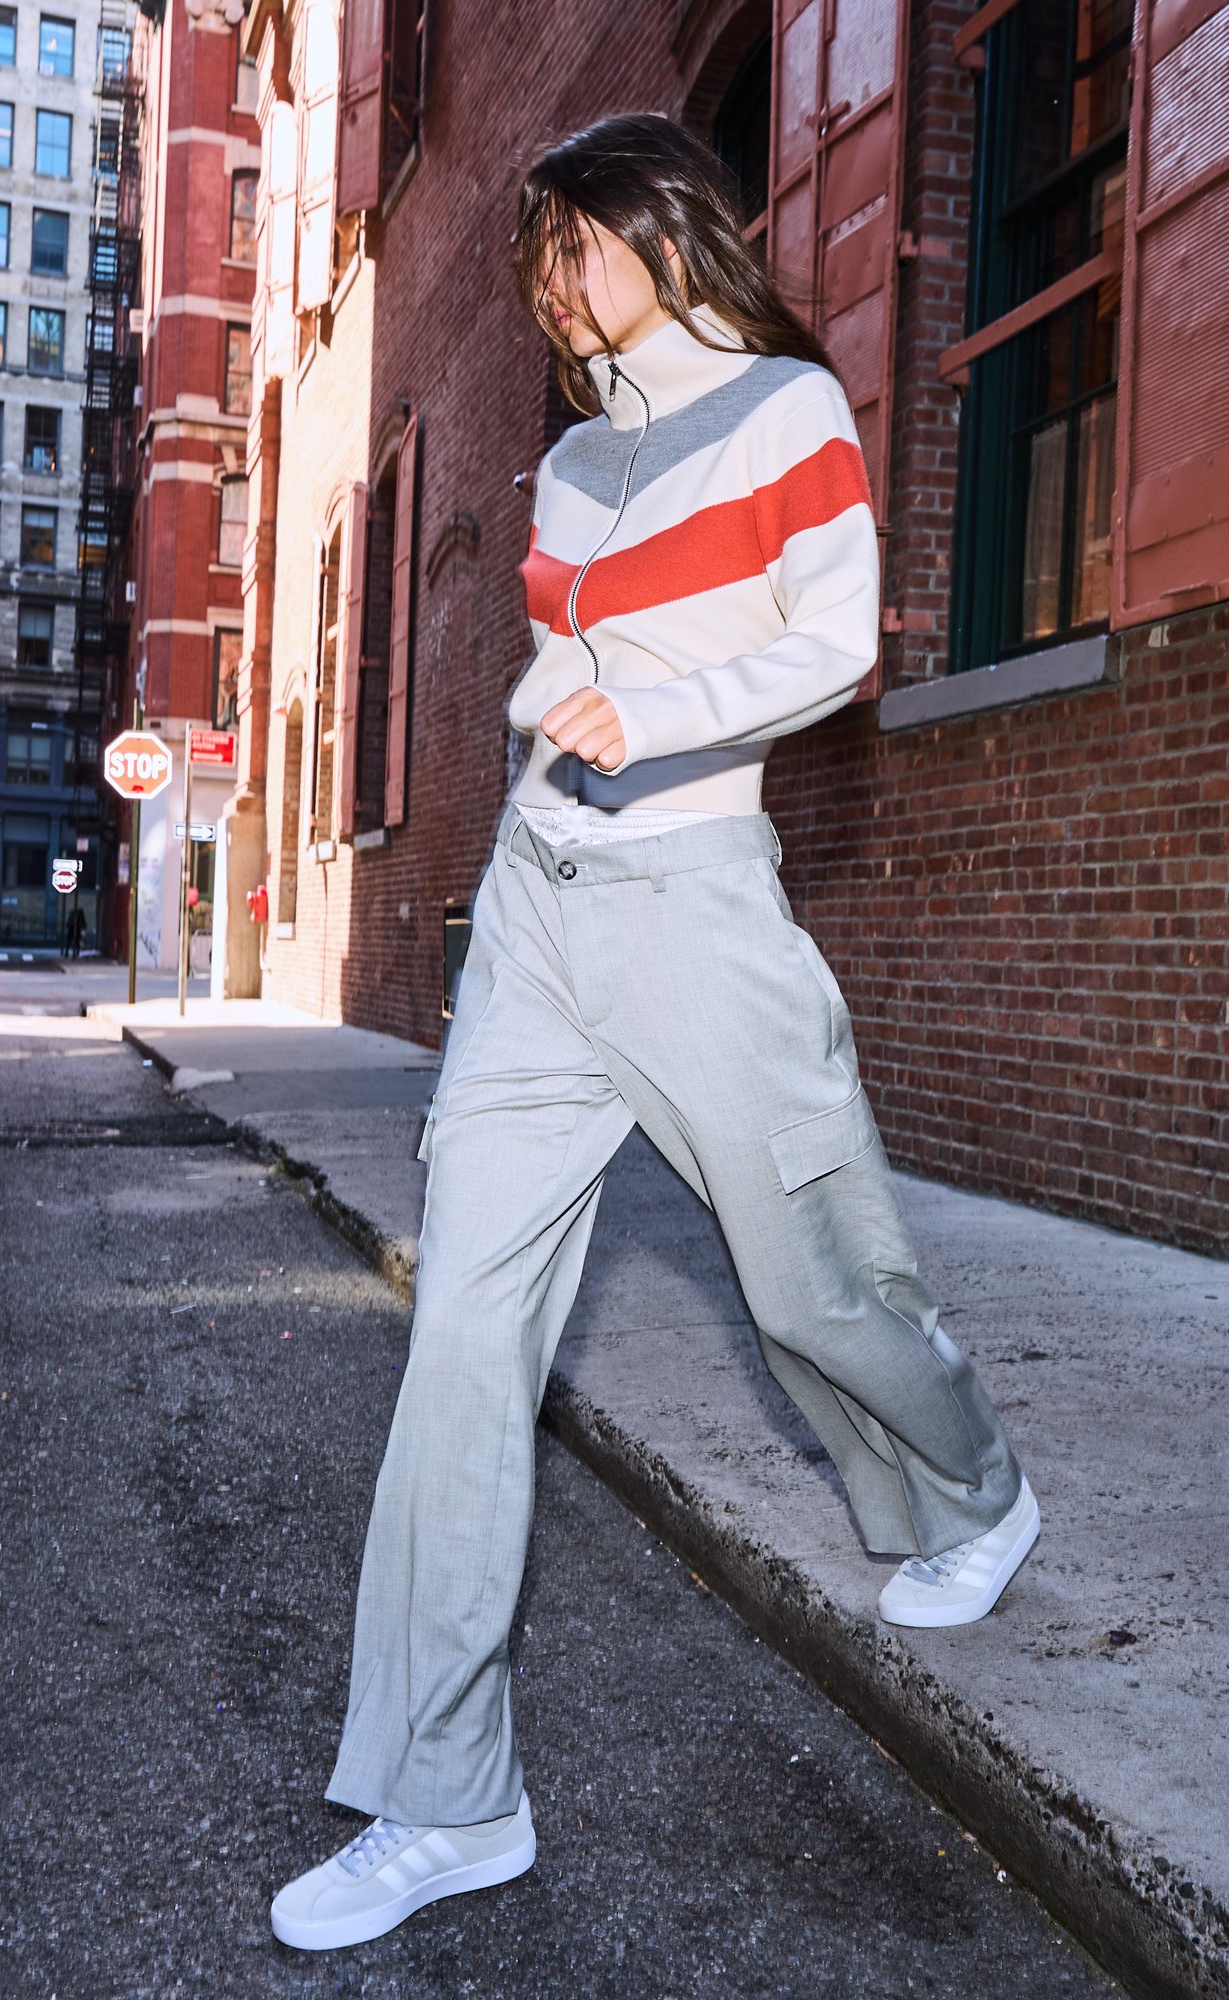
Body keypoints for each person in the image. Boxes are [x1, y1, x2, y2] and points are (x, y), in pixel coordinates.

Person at [269, 113, 1037, 1954]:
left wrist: (656, 704)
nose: (558, 284)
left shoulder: (786, 413)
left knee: (814, 1286)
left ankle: (975, 1490)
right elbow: (559, 674)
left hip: (697, 906)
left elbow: (835, 645)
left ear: (668, 233)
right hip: (541, 912)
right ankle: (446, 1799)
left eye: (581, 247)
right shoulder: (568, 468)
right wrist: (564, 705)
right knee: (460, 1327)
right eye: (542, 261)